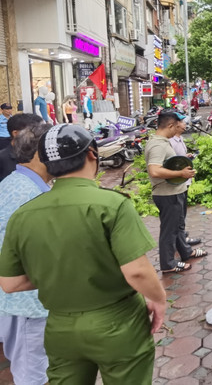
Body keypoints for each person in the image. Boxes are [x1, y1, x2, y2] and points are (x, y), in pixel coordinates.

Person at [0, 124, 166, 383]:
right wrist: (158, 299)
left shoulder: (22, 215)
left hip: (59, 327)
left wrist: (60, 276)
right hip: (117, 321)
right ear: (91, 154)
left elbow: (10, 283)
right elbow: (136, 272)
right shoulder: (112, 204)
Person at [0, 123, 51, 385]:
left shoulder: (21, 183)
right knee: (32, 374)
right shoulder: (26, 194)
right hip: (26, 304)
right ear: (41, 154)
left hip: (24, 301)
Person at [146, 110, 205, 273]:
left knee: (178, 227)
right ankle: (168, 264)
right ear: (171, 125)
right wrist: (181, 173)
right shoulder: (157, 145)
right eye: (178, 124)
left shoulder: (163, 142)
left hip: (174, 192)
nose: (181, 127)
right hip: (167, 194)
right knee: (169, 231)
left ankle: (186, 252)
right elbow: (154, 170)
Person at [169, 116, 202, 248]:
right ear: (175, 125)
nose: (185, 124)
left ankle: (181, 235)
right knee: (179, 213)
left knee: (182, 211)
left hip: (184, 181)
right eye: (182, 122)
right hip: (179, 181)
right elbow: (171, 163)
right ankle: (181, 240)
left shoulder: (180, 139)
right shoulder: (171, 142)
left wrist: (186, 157)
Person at [0, 114, 44, 182]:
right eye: (32, 131)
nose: (37, 135)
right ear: (15, 133)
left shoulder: (37, 155)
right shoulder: (3, 159)